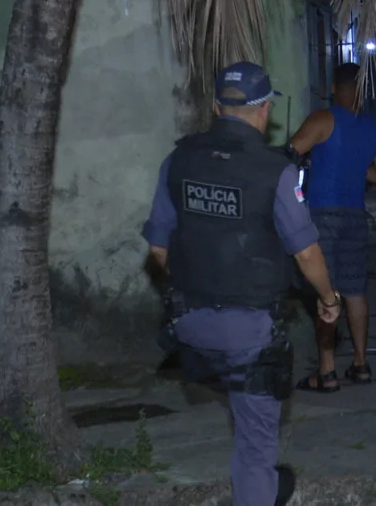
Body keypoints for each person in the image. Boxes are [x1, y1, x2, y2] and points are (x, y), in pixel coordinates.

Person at [141, 61, 342, 505]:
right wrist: (329, 300)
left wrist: (198, 280)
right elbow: (307, 254)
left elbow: (157, 249)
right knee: (255, 446)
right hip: (249, 332)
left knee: (241, 406)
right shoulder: (275, 171)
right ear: (264, 110)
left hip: (189, 326)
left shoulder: (178, 160)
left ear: (217, 107)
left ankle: (269, 489)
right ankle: (260, 491)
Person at [288, 62, 376, 392]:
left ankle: (327, 371)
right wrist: (354, 169)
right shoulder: (375, 129)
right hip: (355, 215)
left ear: (334, 88)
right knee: (355, 291)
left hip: (323, 215)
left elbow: (292, 151)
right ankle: (361, 364)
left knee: (326, 291)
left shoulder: (324, 118)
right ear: (363, 91)